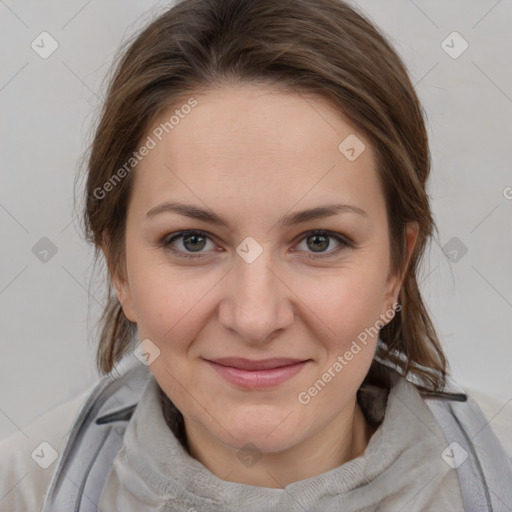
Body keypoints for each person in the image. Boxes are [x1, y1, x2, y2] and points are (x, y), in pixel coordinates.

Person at [1, 0, 511, 510]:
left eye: (319, 241)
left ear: (395, 271)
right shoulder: (21, 490)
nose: (254, 318)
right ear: (120, 271)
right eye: (192, 241)